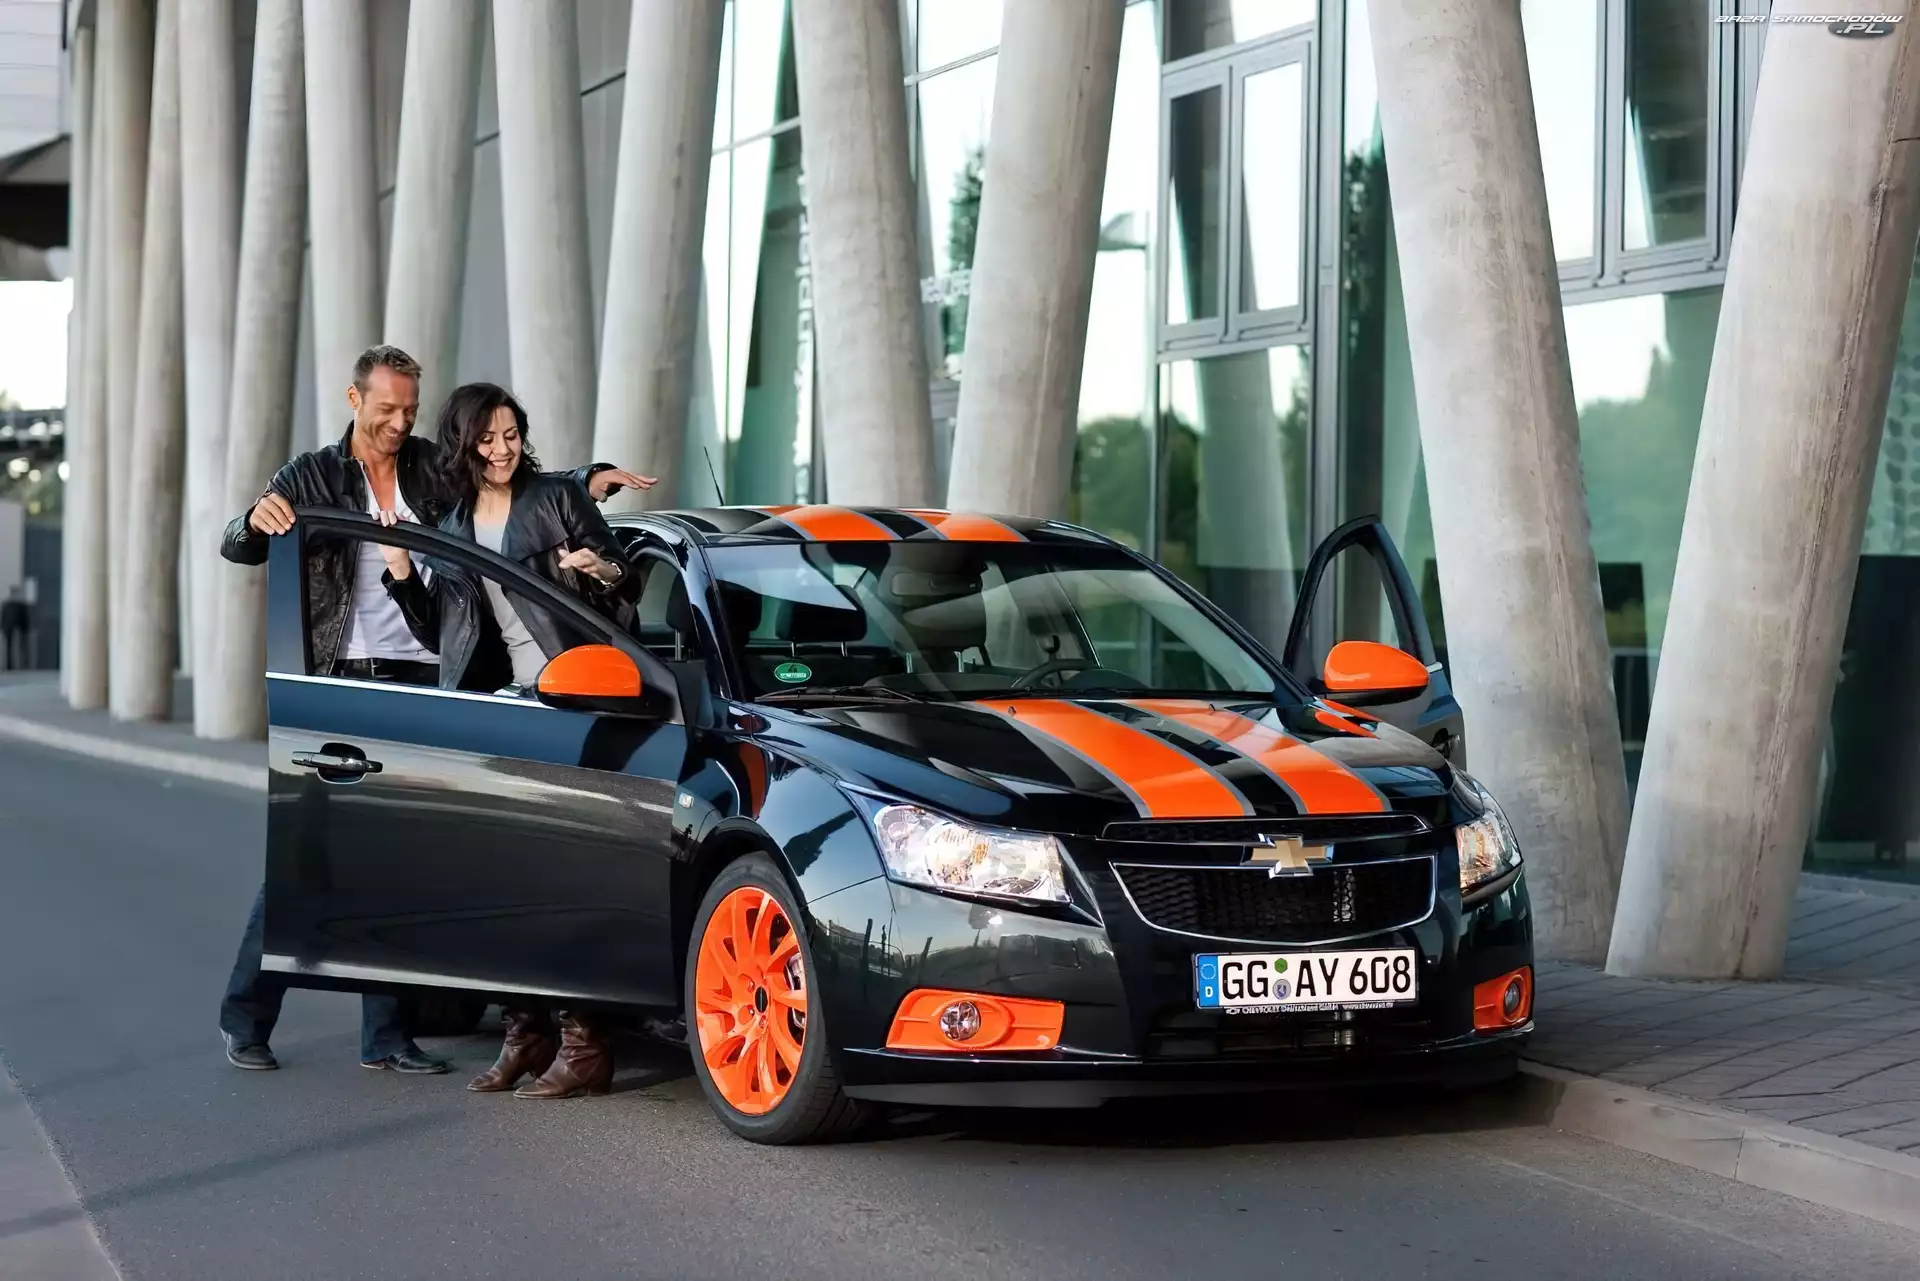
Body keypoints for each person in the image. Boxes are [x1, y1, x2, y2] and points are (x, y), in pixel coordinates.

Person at [215, 346, 655, 1075]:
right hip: (341, 681)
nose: (399, 423)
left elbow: (505, 477)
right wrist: (252, 522)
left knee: (401, 858)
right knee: (305, 858)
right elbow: (238, 546)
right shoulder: (312, 475)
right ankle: (245, 1017)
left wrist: (588, 479)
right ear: (354, 400)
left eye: (409, 411)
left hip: (428, 674)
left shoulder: (427, 467)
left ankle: (387, 1038)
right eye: (386, 409)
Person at [380, 382, 639, 1098]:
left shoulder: (556, 498)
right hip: (506, 709)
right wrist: (401, 573)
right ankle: (526, 1033)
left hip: (575, 698)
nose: (502, 450)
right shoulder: (455, 524)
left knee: (566, 879)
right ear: (464, 444)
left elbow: (626, 580)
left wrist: (598, 568)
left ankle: (586, 1042)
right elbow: (441, 632)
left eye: (512, 435)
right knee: (507, 880)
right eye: (488, 438)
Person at [0, 587, 27, 670]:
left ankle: (15, 666)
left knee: (15, 648)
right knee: (11, 648)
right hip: (12, 629)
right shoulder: (11, 605)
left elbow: (24, 618)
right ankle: (11, 666)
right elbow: (3, 617)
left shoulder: (11, 605)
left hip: (14, 629)